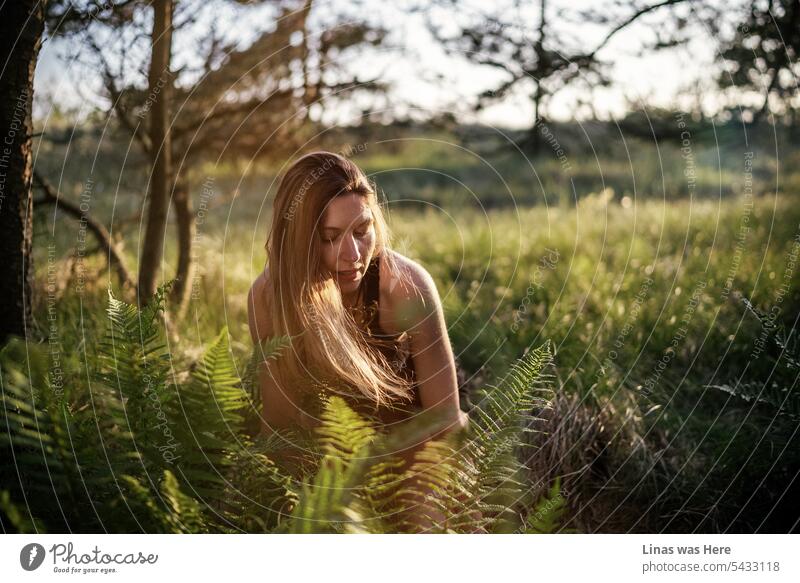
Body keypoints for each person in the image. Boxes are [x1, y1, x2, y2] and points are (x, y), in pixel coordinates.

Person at [247, 151, 471, 530]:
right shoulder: (270, 299)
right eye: (330, 237)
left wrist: (437, 506)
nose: (353, 255)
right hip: (329, 472)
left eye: (362, 231)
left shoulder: (404, 288)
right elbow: (279, 428)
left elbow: (445, 419)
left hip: (417, 462)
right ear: (298, 240)